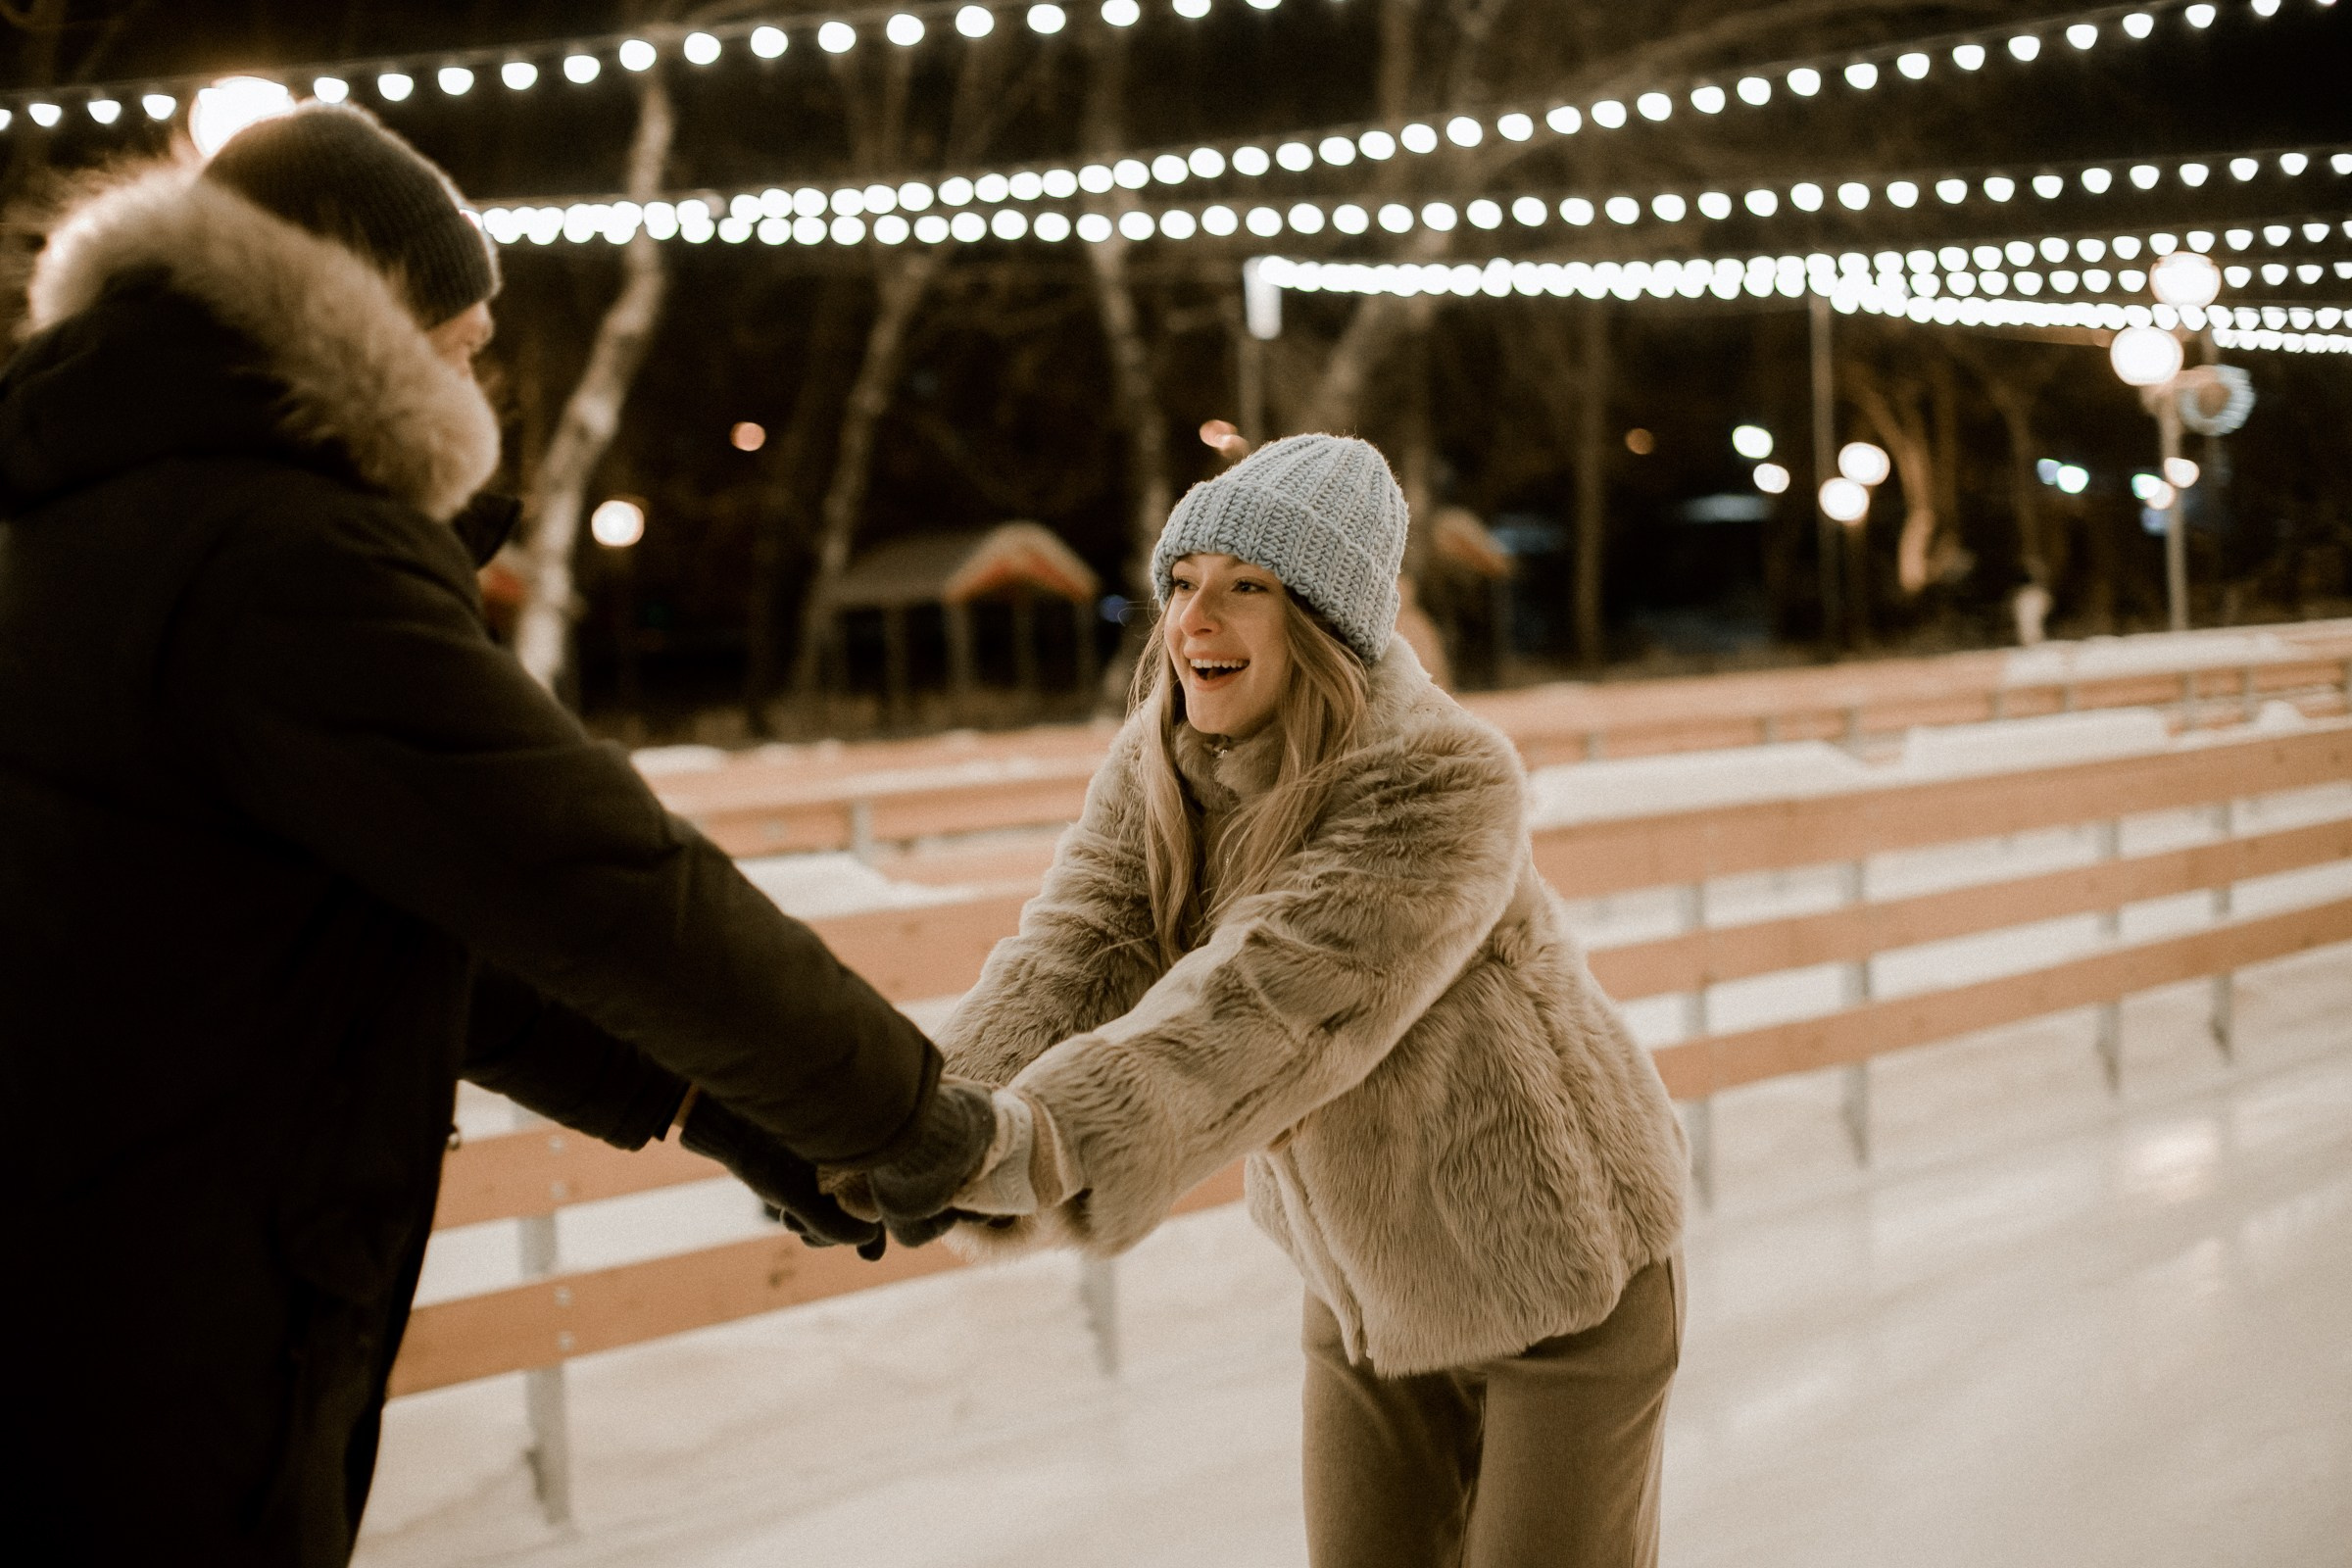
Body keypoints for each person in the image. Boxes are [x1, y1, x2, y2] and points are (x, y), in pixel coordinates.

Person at [0, 105, 993, 1565]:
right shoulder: (281, 556)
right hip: (156, 1321)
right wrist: (902, 1116)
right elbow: (589, 878)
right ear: (356, 317)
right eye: (460, 340)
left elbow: (411, 924)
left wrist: (723, 1109)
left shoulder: (96, 511)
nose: (484, 373)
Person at [876, 434, 1691, 1566]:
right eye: (1182, 582)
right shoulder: (1160, 757)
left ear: (1324, 624)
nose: (1194, 620)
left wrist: (1034, 1139)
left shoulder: (1442, 781)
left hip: (1558, 1278)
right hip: (1365, 1282)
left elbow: (1270, 1006)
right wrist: (905, 1118)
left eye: (1244, 588)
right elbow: (1071, 954)